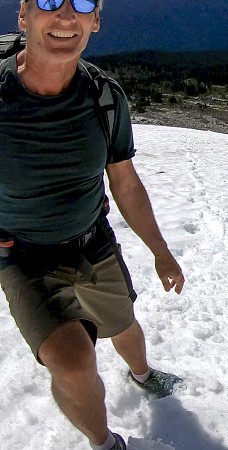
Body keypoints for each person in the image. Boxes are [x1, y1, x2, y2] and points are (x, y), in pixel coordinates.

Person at [0, 1, 185, 449]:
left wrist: (160, 250)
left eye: (82, 3)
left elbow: (123, 180)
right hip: (21, 255)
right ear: (22, 17)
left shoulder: (104, 97)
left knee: (123, 323)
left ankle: (142, 374)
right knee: (73, 364)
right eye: (47, 1)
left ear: (96, 21)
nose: (65, 15)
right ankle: (104, 443)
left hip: (91, 241)